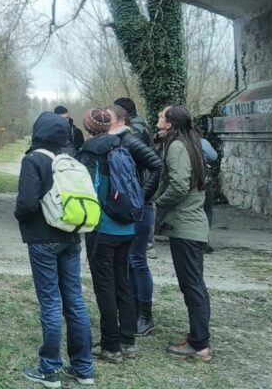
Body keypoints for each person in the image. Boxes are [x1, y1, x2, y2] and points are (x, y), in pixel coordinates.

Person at [15, 112, 94, 387]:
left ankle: (49, 369)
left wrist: (22, 219)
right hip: (71, 237)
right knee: (74, 300)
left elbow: (26, 204)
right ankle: (83, 369)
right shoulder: (70, 161)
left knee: (50, 301)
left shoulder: (33, 160)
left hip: (42, 239)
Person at [77, 108, 138, 363]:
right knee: (123, 281)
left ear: (88, 127)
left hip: (104, 228)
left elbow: (86, 189)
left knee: (105, 285)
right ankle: (128, 340)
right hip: (127, 226)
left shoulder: (90, 152)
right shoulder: (122, 146)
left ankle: (110, 345)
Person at [153, 105, 212, 362]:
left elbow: (178, 184)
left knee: (192, 286)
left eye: (161, 117)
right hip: (192, 226)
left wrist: (157, 204)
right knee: (193, 285)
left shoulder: (177, 147)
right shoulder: (192, 143)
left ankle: (200, 345)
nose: (157, 119)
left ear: (170, 124)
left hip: (187, 228)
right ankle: (197, 337)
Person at [107, 103, 163, 337]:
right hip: (129, 209)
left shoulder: (131, 140)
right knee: (128, 262)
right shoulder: (116, 141)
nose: (105, 121)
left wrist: (142, 196)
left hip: (140, 210)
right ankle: (130, 311)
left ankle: (145, 316)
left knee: (137, 261)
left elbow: (157, 166)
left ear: (121, 121)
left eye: (109, 118)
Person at [200, 136, 218, 253]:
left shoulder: (175, 141)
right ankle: (203, 240)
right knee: (207, 211)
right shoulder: (201, 141)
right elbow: (213, 156)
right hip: (204, 180)